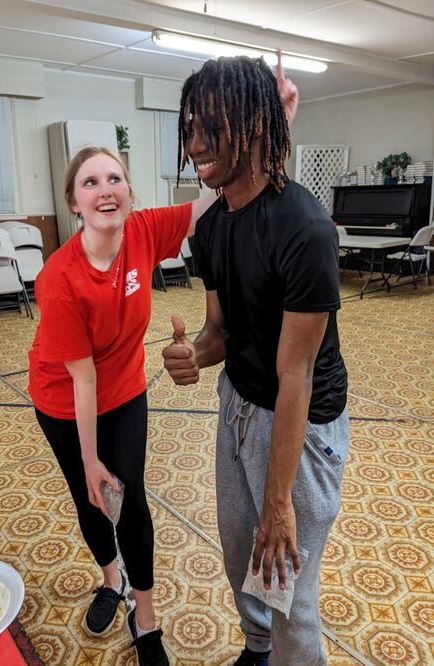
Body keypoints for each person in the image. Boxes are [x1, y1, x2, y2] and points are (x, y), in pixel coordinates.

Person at [162, 53, 349, 666]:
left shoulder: (306, 229)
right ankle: (257, 647)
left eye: (211, 128)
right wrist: (195, 353)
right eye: (190, 128)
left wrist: (279, 503)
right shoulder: (211, 228)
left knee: (287, 579)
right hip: (240, 404)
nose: (195, 145)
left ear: (255, 126)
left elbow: (296, 373)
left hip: (302, 420)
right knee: (241, 551)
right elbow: (221, 328)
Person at [28, 146, 216, 665]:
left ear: (130, 194)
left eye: (114, 178)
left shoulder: (144, 230)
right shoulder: (59, 280)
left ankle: (145, 619)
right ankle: (112, 582)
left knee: (129, 500)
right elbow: (82, 379)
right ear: (74, 202)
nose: (105, 190)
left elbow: (213, 199)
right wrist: (91, 461)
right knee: (92, 496)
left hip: (126, 388)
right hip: (64, 399)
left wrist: (270, 129)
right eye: (90, 182)